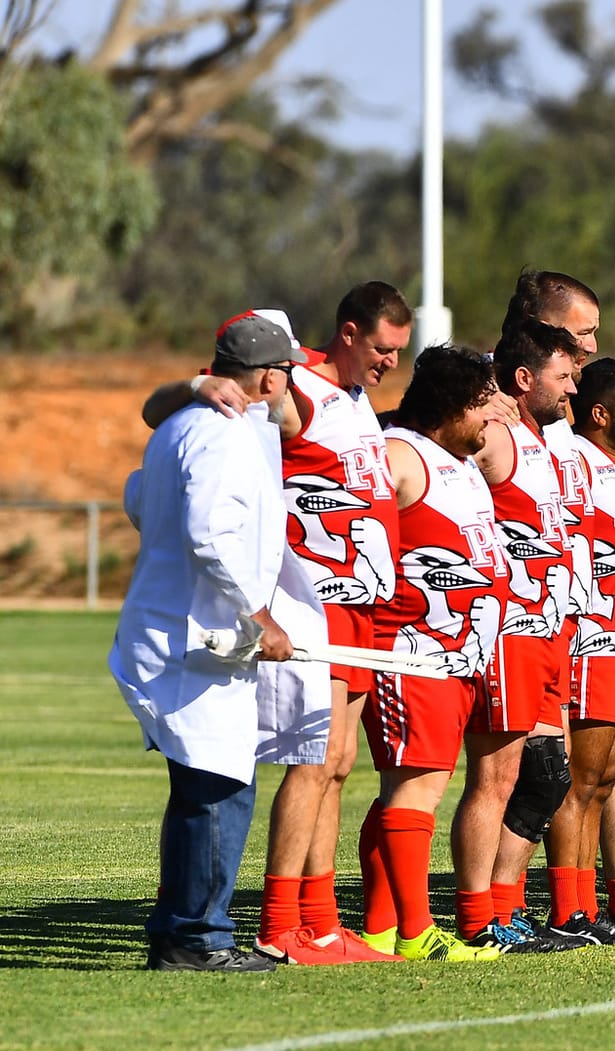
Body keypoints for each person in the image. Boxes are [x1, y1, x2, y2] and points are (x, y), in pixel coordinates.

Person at [140, 285, 413, 964]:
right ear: (349, 333)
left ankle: (317, 920)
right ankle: (280, 918)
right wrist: (197, 382)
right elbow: (163, 407)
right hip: (309, 605)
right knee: (311, 758)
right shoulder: (299, 386)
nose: (390, 363)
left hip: (359, 604)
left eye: (399, 353)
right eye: (382, 348)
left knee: (339, 761)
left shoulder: (354, 401)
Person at [113, 313, 309, 972]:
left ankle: (178, 929)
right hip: (196, 639)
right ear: (265, 376)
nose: (288, 385)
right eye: (286, 374)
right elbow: (209, 535)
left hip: (182, 632)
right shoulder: (225, 437)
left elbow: (139, 501)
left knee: (203, 783)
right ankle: (199, 936)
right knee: (222, 785)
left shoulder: (178, 427)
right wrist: (261, 616)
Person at [354, 344, 506, 963]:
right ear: (452, 408)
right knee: (413, 790)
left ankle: (382, 929)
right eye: (483, 408)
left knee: (412, 790)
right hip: (412, 654)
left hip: (458, 658)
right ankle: (417, 933)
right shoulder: (403, 456)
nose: (492, 421)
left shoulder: (460, 462)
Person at [458, 320, 592, 952]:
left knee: (546, 778)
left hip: (549, 631)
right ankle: (477, 916)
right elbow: (412, 441)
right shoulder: (492, 433)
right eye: (563, 376)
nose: (573, 388)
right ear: (523, 378)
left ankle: (504, 912)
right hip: (508, 630)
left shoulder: (541, 435)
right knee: (499, 779)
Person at [540, 358, 615, 944]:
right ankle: (569, 909)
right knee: (580, 781)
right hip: (595, 638)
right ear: (600, 413)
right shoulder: (575, 461)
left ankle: (589, 905)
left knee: (606, 780)